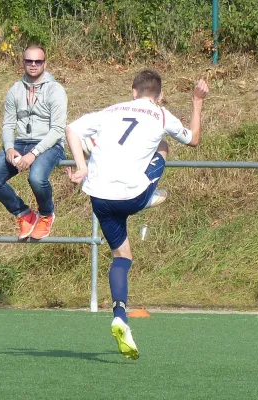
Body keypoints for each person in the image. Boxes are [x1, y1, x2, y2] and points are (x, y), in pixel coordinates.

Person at [66, 70, 209, 359]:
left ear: (133, 91)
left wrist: (81, 167)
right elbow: (193, 140)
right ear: (157, 95)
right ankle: (149, 197)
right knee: (165, 146)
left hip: (99, 197)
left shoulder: (109, 111)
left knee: (123, 257)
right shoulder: (161, 114)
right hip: (132, 196)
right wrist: (196, 101)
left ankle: (120, 316)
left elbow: (71, 129)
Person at [0, 45, 67, 239]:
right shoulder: (15, 89)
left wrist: (33, 154)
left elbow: (57, 130)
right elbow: (8, 124)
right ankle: (25, 214)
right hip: (21, 142)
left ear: (44, 64)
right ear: (23, 63)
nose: (33, 65)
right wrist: (9, 147)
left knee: (36, 178)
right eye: (29, 61)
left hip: (49, 144)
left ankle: (46, 215)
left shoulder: (55, 90)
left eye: (38, 61)